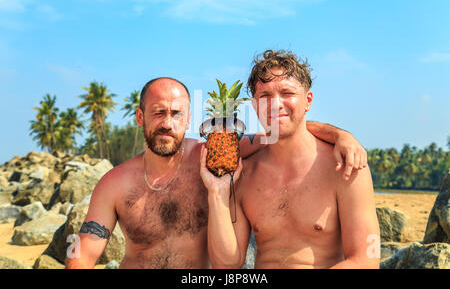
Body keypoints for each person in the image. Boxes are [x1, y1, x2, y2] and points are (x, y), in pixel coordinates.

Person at [66, 76, 369, 269]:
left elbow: (282, 130)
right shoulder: (115, 182)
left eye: (176, 114)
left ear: (188, 120)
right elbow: (82, 256)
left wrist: (343, 136)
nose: (167, 124)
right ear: (140, 117)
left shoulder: (213, 156)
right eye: (158, 112)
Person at [201, 50, 380, 269]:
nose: (275, 104)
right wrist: (217, 194)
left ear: (308, 100)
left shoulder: (346, 166)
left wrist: (341, 135)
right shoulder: (244, 172)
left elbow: (367, 259)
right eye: (265, 96)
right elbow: (226, 266)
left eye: (287, 93)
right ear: (255, 106)